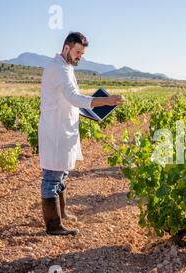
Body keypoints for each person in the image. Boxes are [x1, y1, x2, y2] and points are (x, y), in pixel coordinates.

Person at [38, 32, 125, 236]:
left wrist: (91, 110)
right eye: (78, 52)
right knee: (51, 177)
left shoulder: (65, 67)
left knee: (62, 173)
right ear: (67, 48)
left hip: (63, 129)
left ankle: (63, 213)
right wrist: (106, 101)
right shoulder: (59, 69)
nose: (80, 57)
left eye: (82, 54)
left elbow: (70, 101)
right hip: (55, 131)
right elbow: (74, 97)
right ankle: (53, 225)